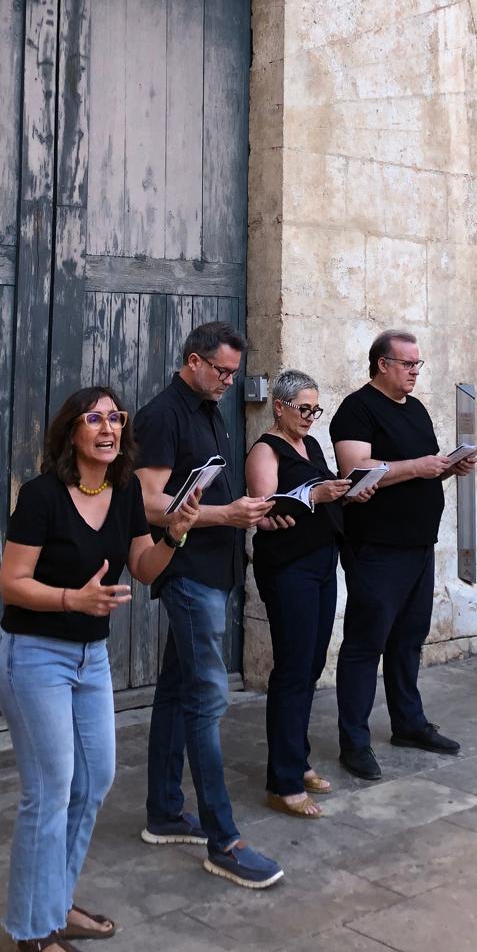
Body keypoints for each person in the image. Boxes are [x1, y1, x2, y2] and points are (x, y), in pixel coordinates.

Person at [0, 385, 201, 952]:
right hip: (34, 656)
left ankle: (54, 902)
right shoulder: (40, 497)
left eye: (116, 419)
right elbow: (13, 583)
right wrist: (72, 599)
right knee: (50, 789)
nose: (108, 428)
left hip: (90, 660)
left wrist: (176, 534)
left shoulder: (126, 491)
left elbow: (143, 565)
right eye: (95, 419)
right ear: (71, 432)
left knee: (95, 779)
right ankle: (32, 936)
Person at [134, 321, 283, 889]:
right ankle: (225, 840)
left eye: (232, 373)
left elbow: (207, 492)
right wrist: (226, 516)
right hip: (188, 574)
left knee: (177, 692)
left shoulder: (209, 410)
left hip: (215, 571)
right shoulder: (163, 414)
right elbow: (149, 503)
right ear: (192, 361)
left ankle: (165, 811)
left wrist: (254, 512)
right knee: (206, 700)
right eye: (219, 370)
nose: (227, 380)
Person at [329, 329, 477, 781]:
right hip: (377, 546)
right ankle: (353, 741)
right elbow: (354, 470)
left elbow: (422, 471)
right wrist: (418, 466)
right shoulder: (357, 408)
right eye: (408, 364)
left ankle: (408, 724)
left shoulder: (415, 409)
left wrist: (449, 468)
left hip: (418, 544)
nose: (415, 371)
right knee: (364, 643)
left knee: (408, 639)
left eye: (418, 364)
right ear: (382, 365)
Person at [245, 370, 357, 818]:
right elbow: (266, 505)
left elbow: (321, 488)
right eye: (303, 409)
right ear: (280, 407)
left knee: (310, 663)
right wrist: (317, 493)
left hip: (320, 562)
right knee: (292, 667)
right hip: (288, 567)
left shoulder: (309, 446)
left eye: (315, 409)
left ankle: (297, 757)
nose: (311, 417)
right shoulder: (264, 449)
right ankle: (283, 782)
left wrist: (349, 491)